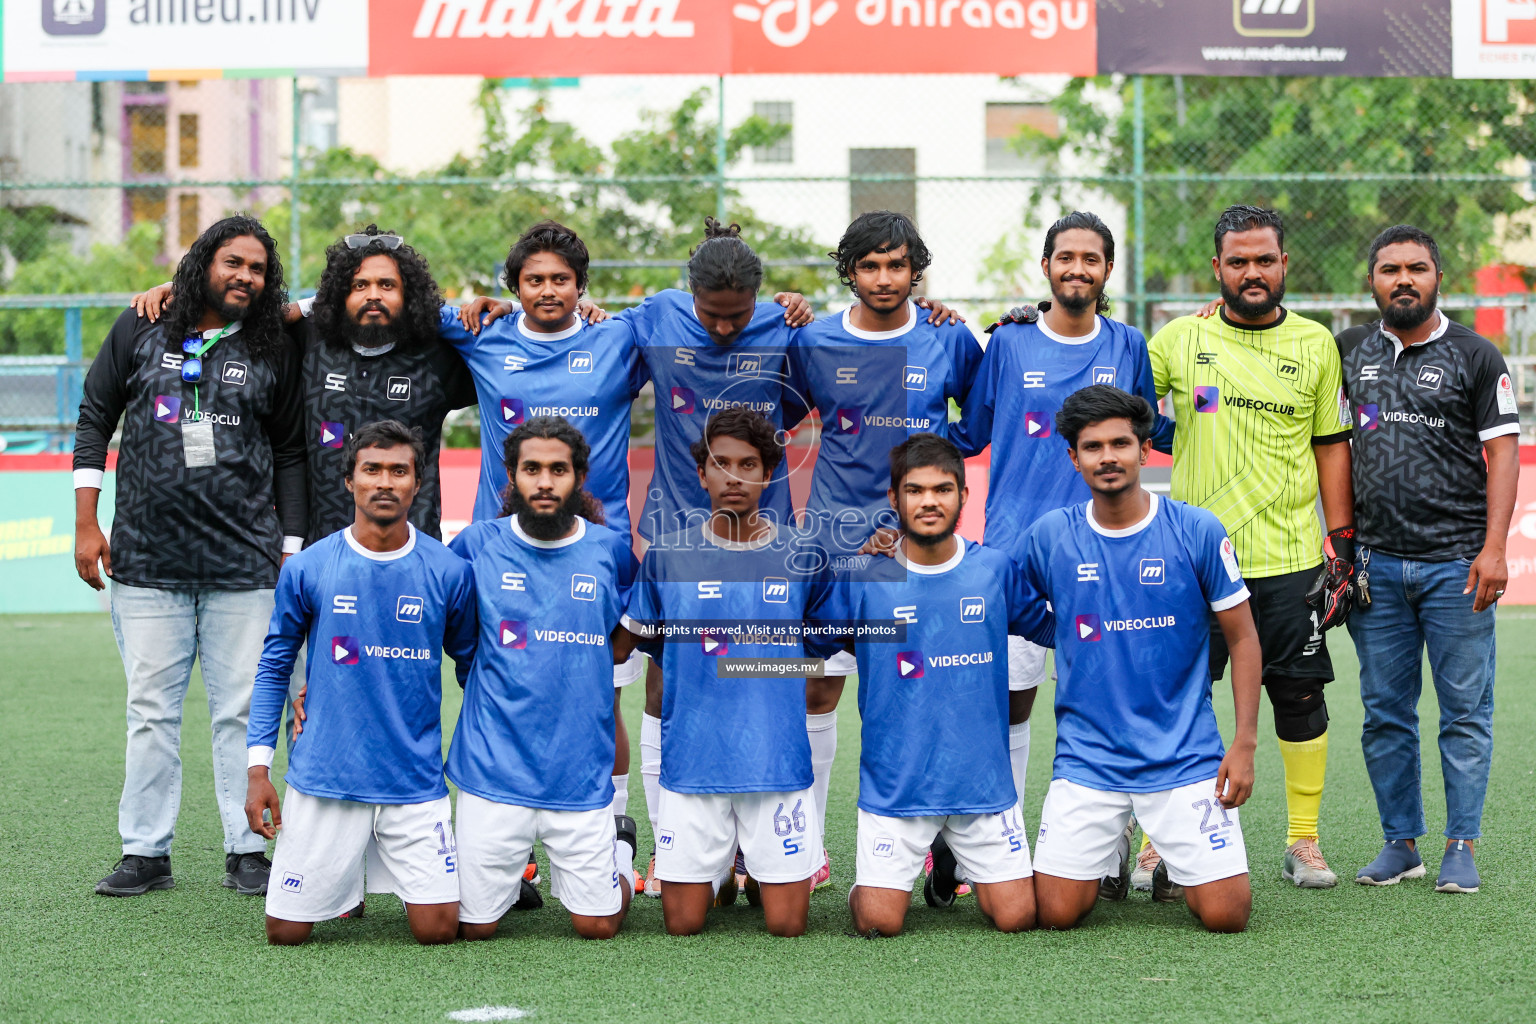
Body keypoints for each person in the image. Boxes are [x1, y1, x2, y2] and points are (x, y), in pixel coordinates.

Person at [76, 214, 306, 899]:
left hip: (246, 564)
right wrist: (86, 524)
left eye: (259, 269)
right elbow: (95, 417)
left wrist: (290, 550)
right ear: (204, 260)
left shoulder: (273, 345)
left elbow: (293, 449)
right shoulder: (141, 324)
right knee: (151, 709)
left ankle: (247, 849)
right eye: (233, 262)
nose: (245, 277)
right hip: (147, 560)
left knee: (242, 709)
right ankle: (145, 850)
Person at [950, 210, 1173, 896]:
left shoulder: (1129, 342)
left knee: (1107, 703)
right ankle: (1002, 848)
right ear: (1046, 266)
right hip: (1017, 556)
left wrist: (1214, 392)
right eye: (1065, 257)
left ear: (1108, 271)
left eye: (1092, 259)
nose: (1078, 269)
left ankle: (1107, 849)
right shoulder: (1010, 342)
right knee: (1009, 705)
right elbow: (971, 433)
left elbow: (1153, 429)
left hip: (1108, 557)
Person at [1148, 205, 1355, 889]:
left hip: (1292, 558)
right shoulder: (1180, 339)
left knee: (1299, 697)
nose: (1252, 272)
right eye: (1238, 261)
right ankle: (1159, 843)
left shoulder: (1317, 344)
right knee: (1179, 701)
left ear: (1284, 264)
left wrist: (1341, 543)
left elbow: (1331, 447)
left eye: (1264, 259)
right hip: (1195, 563)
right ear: (1217, 269)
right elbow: (1121, 408)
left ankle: (1303, 841)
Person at [788, 212, 981, 887]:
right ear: (849, 272)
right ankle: (804, 854)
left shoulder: (949, 339)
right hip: (832, 545)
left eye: (896, 265)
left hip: (919, 549)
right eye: (869, 266)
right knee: (818, 693)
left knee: (921, 692)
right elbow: (779, 412)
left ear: (916, 272)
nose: (883, 278)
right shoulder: (813, 342)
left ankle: (940, 845)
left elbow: (977, 429)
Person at [1023, 386, 1260, 933]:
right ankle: (1116, 840)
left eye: (1120, 444)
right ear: (1073, 457)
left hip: (1183, 753)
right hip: (1089, 757)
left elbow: (1244, 639)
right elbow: (1005, 601)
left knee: (1226, 916)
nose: (1107, 456)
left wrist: (1244, 742)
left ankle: (1169, 845)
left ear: (1145, 450)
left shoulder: (1197, 529)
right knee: (1058, 915)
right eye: (1092, 446)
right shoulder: (1052, 535)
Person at [1336, 225, 1519, 894]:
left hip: (1456, 565)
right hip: (1376, 567)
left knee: (1464, 712)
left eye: (1417, 268)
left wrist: (1495, 548)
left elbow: (1502, 453)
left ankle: (1460, 844)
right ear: (1373, 279)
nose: (1403, 279)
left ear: (1438, 276)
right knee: (1385, 711)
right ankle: (1400, 843)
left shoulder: (1477, 355)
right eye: (1390, 269)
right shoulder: (1349, 349)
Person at [245, 420, 475, 944]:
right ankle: (344, 880)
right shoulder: (309, 567)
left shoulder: (448, 571)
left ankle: (357, 875)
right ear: (349, 481)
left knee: (438, 931)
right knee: (285, 933)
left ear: (418, 484)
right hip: (328, 775)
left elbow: (472, 670)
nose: (385, 482)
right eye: (372, 469)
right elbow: (274, 667)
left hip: (412, 780)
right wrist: (259, 769)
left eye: (400, 471)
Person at [617, 408, 835, 937]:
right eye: (721, 464)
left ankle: (756, 871)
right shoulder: (670, 554)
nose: (734, 476)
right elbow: (625, 645)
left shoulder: (803, 551)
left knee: (786, 926)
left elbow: (832, 644)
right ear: (702, 474)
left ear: (769, 474)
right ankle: (636, 855)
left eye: (749, 464)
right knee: (683, 925)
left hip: (776, 764)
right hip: (694, 767)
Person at [818, 434, 1048, 936]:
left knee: (1018, 918)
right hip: (896, 790)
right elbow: (812, 641)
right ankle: (880, 878)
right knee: (879, 923)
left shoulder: (994, 570)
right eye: (915, 490)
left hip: (982, 787)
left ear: (965, 496)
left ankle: (948, 853)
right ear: (894, 499)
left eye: (943, 489)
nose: (929, 501)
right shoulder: (864, 577)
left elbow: (1052, 628)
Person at [131, 225, 478, 543]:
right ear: (339, 295)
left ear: (408, 295)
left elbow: (514, 353)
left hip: (415, 551)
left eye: (387, 285)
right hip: (319, 554)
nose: (374, 295)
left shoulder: (438, 355)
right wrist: (182, 289)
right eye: (360, 285)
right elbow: (239, 309)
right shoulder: (305, 339)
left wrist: (505, 306)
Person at [448, 417, 640, 939]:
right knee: (472, 928)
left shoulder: (609, 550)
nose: (545, 482)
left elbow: (628, 630)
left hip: (577, 773)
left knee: (597, 925)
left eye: (559, 469)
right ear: (511, 476)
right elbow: (434, 619)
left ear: (578, 477)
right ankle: (507, 878)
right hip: (493, 772)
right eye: (532, 469)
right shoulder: (475, 545)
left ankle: (619, 850)